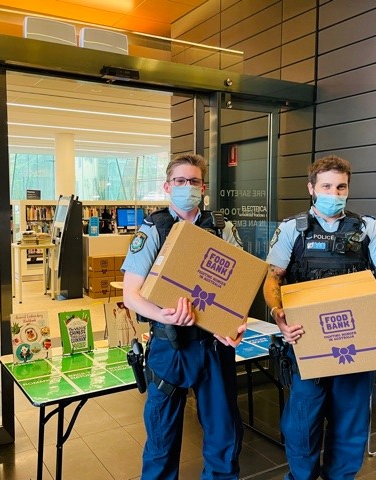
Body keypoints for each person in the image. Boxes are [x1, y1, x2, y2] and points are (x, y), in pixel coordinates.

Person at [263, 155, 376, 480]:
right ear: (312, 188)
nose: (334, 193)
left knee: (350, 431)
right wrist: (278, 314)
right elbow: (273, 279)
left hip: (355, 350)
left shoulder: (368, 229)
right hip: (306, 347)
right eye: (326, 186)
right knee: (302, 428)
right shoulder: (292, 230)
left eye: (341, 187)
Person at [121, 153, 247, 480]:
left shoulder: (221, 228)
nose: (187, 187)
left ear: (203, 187)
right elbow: (131, 295)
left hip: (214, 347)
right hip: (169, 347)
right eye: (180, 181)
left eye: (193, 181)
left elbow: (239, 289)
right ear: (167, 186)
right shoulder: (153, 229)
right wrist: (164, 314)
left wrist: (237, 323)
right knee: (162, 441)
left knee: (224, 439)